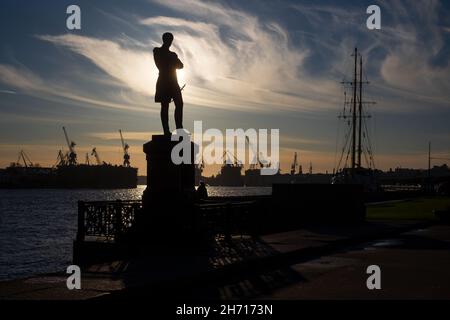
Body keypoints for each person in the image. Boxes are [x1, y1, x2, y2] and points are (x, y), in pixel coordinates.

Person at [153, 32, 184, 136]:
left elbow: (181, 65)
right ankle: (166, 131)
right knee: (165, 106)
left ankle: (179, 129)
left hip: (174, 82)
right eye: (168, 40)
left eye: (171, 40)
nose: (170, 42)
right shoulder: (157, 51)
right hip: (163, 82)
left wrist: (171, 62)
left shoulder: (173, 54)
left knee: (179, 104)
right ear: (164, 40)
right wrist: (171, 63)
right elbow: (160, 65)